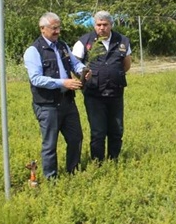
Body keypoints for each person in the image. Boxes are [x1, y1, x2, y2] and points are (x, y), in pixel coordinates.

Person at [24, 12, 88, 179]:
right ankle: (51, 178)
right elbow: (36, 79)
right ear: (42, 29)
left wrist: (82, 70)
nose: (58, 31)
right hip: (47, 105)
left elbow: (75, 63)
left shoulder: (62, 46)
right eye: (54, 28)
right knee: (50, 144)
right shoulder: (33, 51)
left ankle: (72, 172)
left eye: (59, 27)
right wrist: (63, 82)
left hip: (67, 101)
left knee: (76, 138)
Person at [72, 11, 132, 162]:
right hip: (94, 95)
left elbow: (126, 64)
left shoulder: (122, 41)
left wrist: (113, 75)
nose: (102, 28)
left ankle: (114, 160)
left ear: (111, 25)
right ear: (94, 25)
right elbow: (73, 65)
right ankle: (97, 163)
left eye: (105, 24)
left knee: (116, 130)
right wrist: (82, 78)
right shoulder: (83, 42)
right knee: (98, 132)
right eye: (99, 25)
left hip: (115, 93)